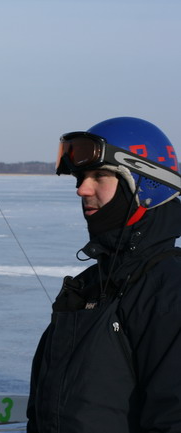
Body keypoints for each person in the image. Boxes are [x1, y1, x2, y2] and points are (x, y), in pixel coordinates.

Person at [27, 117, 181, 433]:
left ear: (144, 184)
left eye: (100, 176)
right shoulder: (88, 286)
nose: (82, 189)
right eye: (81, 177)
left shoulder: (168, 291)